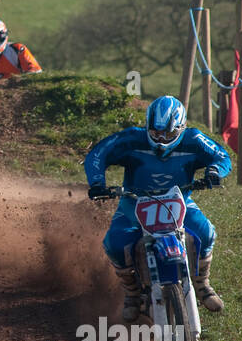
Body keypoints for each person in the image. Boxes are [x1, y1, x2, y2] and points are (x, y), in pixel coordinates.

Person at [84, 95, 232, 321]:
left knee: (206, 232)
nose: (162, 140)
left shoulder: (194, 139)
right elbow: (98, 154)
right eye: (156, 133)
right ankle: (132, 294)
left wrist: (214, 172)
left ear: (181, 128)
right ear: (148, 127)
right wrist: (97, 183)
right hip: (134, 203)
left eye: (169, 134)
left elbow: (222, 156)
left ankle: (202, 284)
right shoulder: (132, 139)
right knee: (115, 242)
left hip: (179, 202)